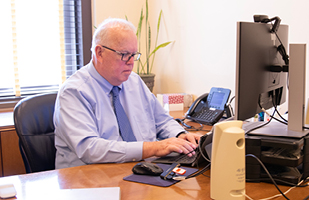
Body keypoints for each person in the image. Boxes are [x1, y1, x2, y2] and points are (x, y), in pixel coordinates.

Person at [53, 18, 201, 169]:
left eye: (134, 55)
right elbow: (90, 149)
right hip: (90, 179)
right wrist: (155, 148)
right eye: (124, 54)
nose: (131, 62)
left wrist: (180, 136)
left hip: (142, 169)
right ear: (99, 53)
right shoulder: (73, 92)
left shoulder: (134, 81)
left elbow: (161, 121)